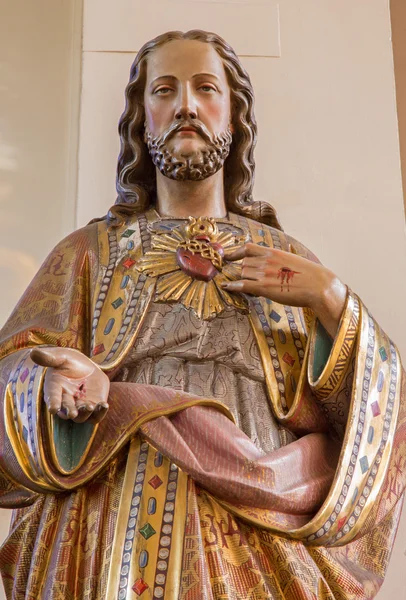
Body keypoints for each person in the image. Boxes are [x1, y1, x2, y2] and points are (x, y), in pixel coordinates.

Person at [0, 29, 404, 600]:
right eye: (164, 90)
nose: (186, 104)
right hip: (116, 510)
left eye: (205, 88)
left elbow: (362, 418)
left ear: (233, 118)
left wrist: (333, 300)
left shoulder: (290, 262)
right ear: (142, 122)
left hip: (262, 518)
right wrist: (50, 382)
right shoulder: (89, 253)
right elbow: (13, 368)